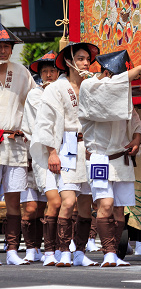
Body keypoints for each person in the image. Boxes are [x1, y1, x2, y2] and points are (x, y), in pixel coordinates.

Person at [78, 48, 141, 268]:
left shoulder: (120, 96)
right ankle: (109, 253)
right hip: (99, 158)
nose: (122, 84)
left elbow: (137, 124)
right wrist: (140, 69)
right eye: (118, 77)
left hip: (121, 159)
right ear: (105, 73)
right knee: (106, 203)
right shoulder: (90, 86)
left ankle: (114, 253)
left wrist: (136, 139)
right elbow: (108, 90)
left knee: (120, 208)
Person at [30, 41, 100, 268]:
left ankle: (79, 251)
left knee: (87, 202)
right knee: (67, 201)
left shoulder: (91, 86)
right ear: (69, 62)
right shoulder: (55, 89)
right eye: (80, 58)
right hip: (66, 145)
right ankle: (60, 250)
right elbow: (45, 123)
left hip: (88, 146)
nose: (86, 63)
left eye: (87, 59)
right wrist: (52, 152)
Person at [0, 22, 35, 265]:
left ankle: (12, 250)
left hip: (14, 142)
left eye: (6, 46)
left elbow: (35, 103)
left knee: (14, 199)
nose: (3, 50)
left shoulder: (21, 72)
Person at [21, 51, 60, 264]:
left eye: (52, 70)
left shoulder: (63, 91)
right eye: (44, 71)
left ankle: (53, 247)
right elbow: (40, 124)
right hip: (39, 154)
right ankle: (32, 248)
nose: (48, 74)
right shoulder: (36, 95)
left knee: (57, 202)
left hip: (61, 152)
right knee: (33, 206)